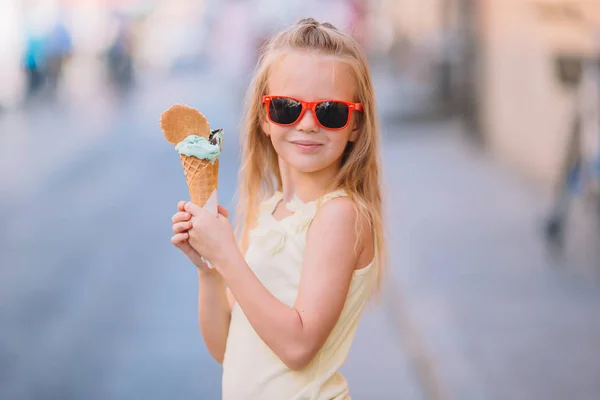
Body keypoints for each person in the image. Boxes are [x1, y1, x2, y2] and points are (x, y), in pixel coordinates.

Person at [170, 18, 386, 399]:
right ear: (264, 118)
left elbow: (298, 347)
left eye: (330, 112)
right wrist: (209, 270)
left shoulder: (339, 215)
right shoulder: (269, 211)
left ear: (355, 124)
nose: (306, 124)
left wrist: (228, 256)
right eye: (287, 108)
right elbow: (227, 348)